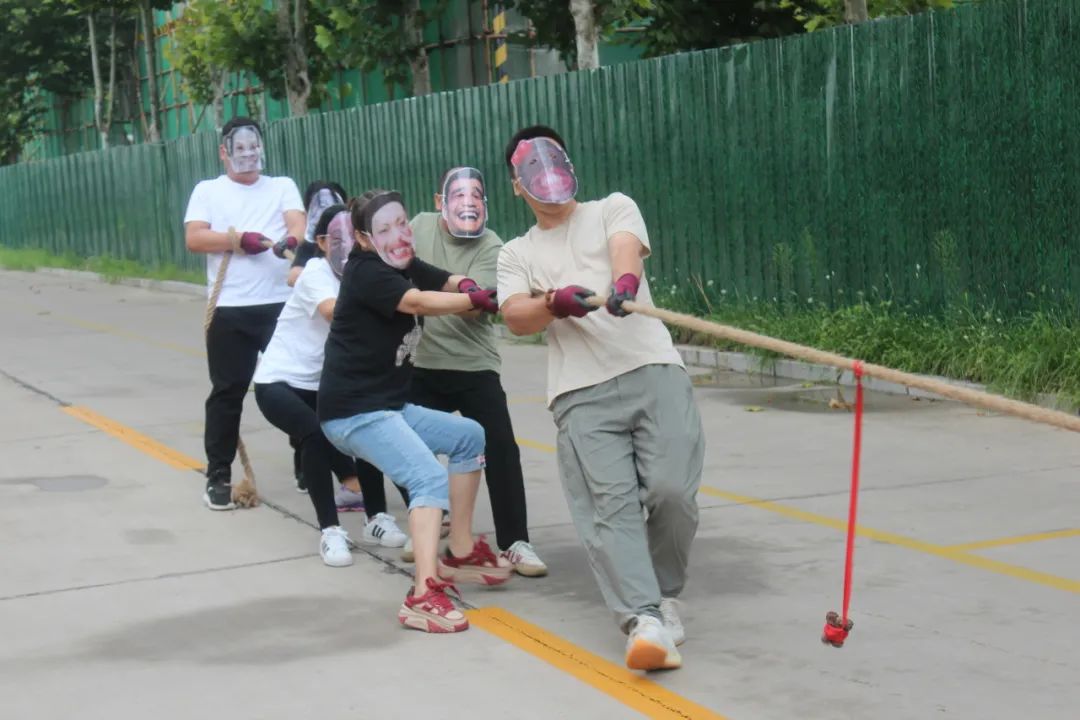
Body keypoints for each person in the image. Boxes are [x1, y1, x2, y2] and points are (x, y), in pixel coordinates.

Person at [496, 125, 705, 671]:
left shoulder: (612, 207)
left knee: (673, 493)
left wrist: (625, 284)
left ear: (568, 165)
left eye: (553, 161)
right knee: (611, 509)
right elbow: (514, 315)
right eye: (531, 167)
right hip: (580, 392)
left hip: (652, 367)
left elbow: (625, 248)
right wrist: (554, 304)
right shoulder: (516, 252)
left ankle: (664, 592)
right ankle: (644, 619)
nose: (545, 175)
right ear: (517, 183)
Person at [318, 190, 512, 633]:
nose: (399, 235)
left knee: (469, 436)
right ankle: (423, 595)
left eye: (402, 223)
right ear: (364, 239)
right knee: (427, 478)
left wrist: (469, 287)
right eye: (384, 229)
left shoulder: (402, 262)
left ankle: (460, 550)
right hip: (353, 412)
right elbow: (419, 302)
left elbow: (442, 280)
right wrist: (478, 301)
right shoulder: (367, 272)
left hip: (389, 406)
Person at [401, 166, 546, 577]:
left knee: (500, 447)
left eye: (477, 196)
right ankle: (431, 522)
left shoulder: (492, 246)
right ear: (439, 201)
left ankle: (515, 541)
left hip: (473, 364)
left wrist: (434, 293)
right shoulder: (419, 227)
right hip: (421, 363)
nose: (469, 203)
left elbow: (472, 309)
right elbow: (399, 272)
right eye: (459, 195)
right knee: (402, 443)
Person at [253, 204, 408, 565]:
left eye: (354, 236)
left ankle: (376, 518)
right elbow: (333, 312)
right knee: (313, 435)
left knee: (366, 429)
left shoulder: (369, 271)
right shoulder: (315, 273)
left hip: (326, 385)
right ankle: (330, 531)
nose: (347, 245)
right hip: (280, 382)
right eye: (337, 238)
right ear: (322, 242)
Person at [183, 116, 305, 511]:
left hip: (280, 306)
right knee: (227, 392)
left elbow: (298, 225)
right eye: (240, 148)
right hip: (229, 308)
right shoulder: (208, 191)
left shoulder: (282, 186)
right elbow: (194, 237)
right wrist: (237, 241)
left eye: (254, 147)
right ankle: (218, 474)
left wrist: (289, 240)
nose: (249, 155)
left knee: (298, 385)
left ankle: (307, 461)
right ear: (224, 152)